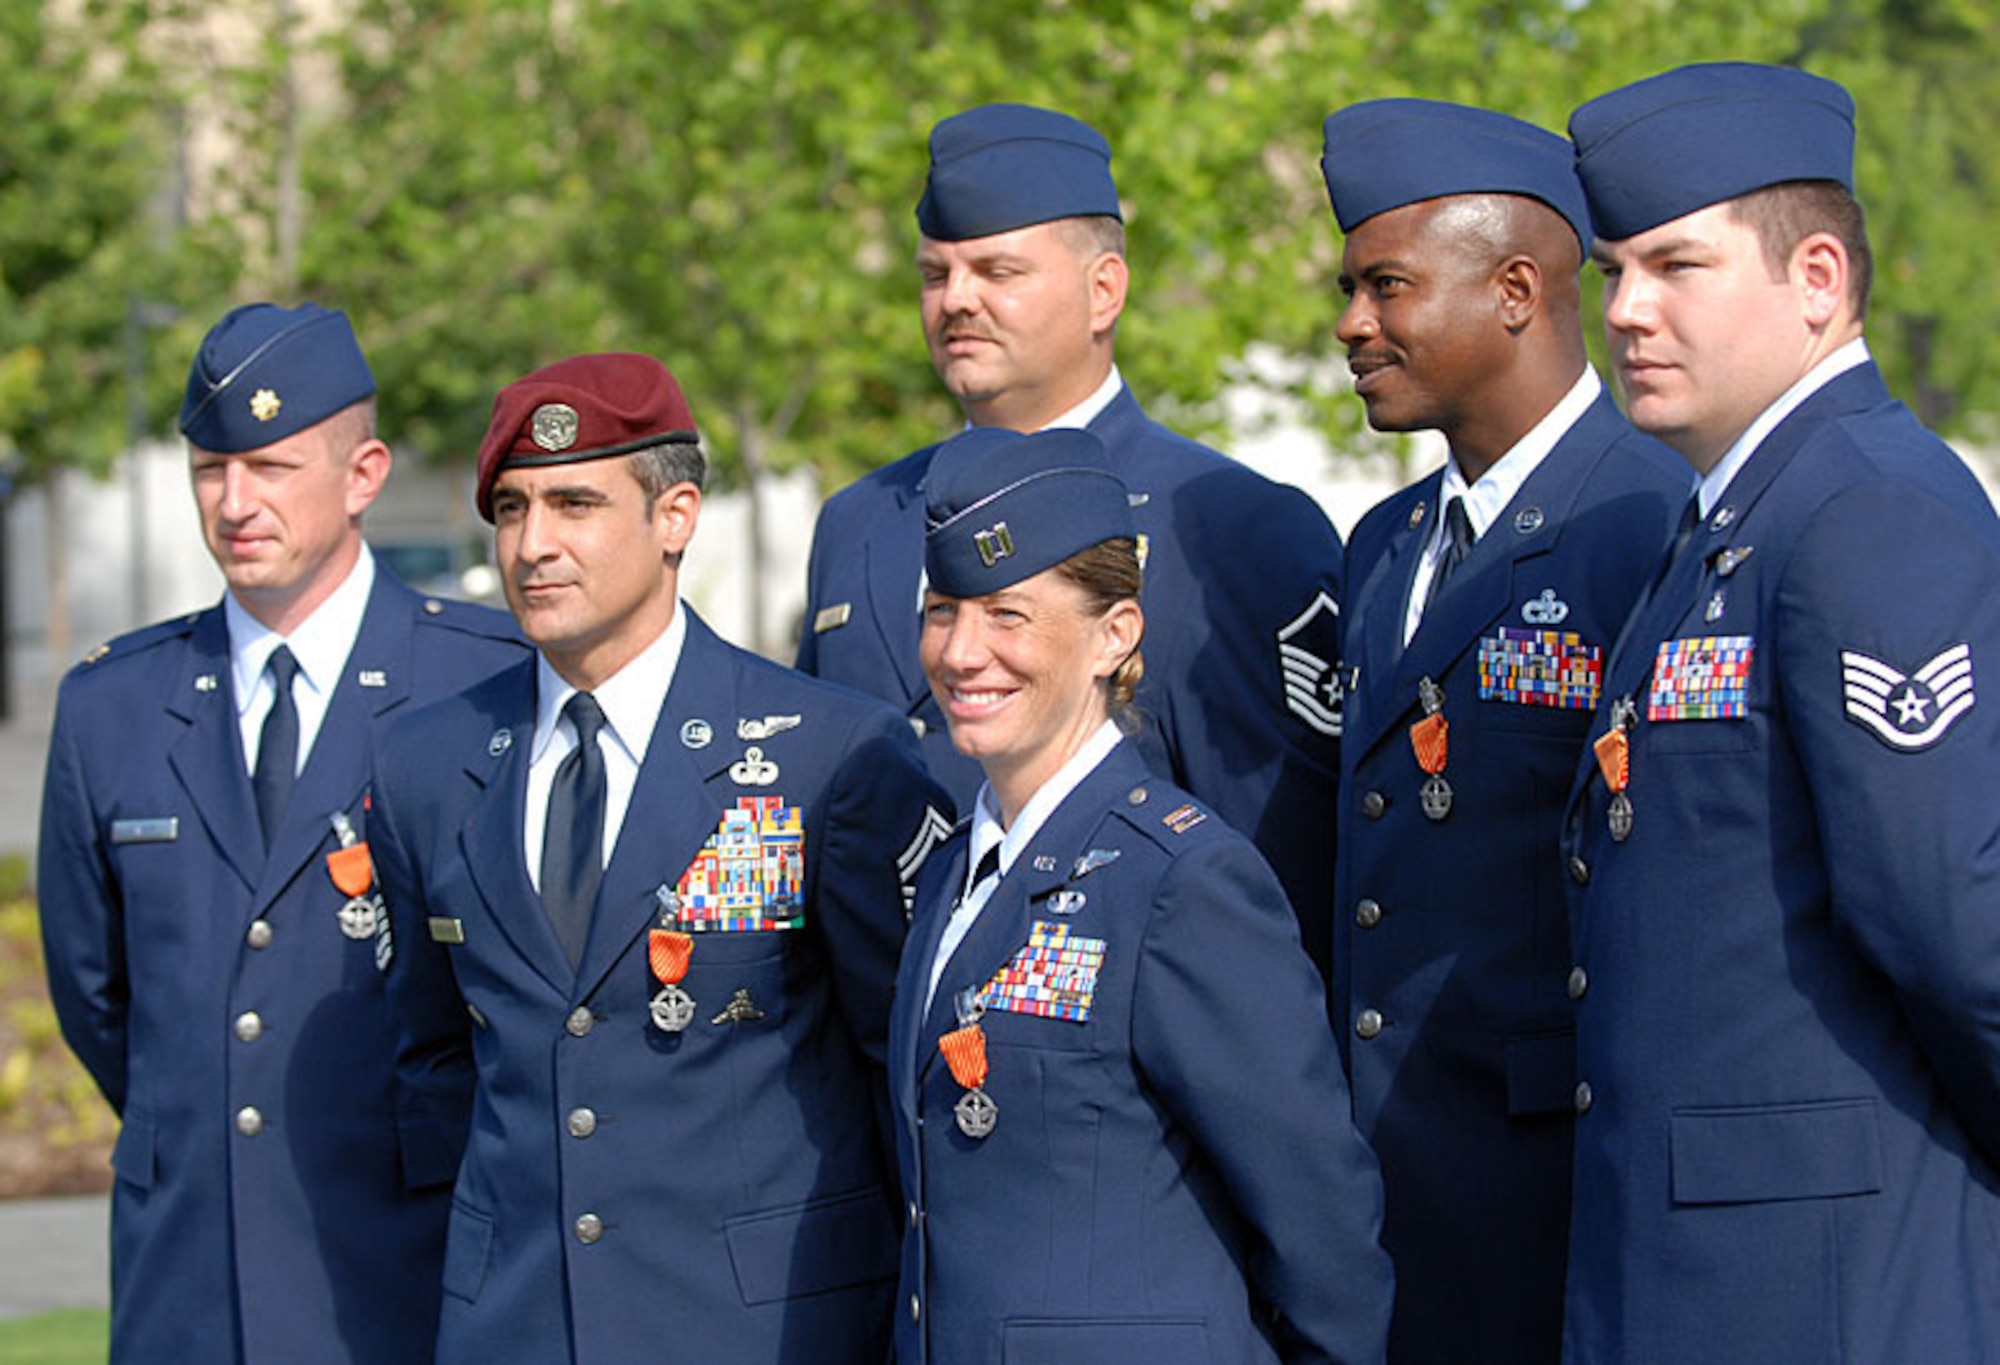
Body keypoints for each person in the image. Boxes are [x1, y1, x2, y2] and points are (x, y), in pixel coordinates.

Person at [368, 352, 951, 1364]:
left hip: (760, 1324)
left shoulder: (829, 755)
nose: (532, 546)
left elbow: (891, 1064)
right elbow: (435, 1060)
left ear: (674, 515)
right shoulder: (429, 764)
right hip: (516, 1324)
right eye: (510, 510)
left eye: (575, 504)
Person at [1559, 62, 2000, 1361]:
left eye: (1677, 266)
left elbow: (1951, 923)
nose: (1628, 310)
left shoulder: (1870, 512)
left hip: (1826, 1282)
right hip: (1702, 1271)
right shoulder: (1723, 527)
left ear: (1817, 279)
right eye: (1613, 272)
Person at [36, 302, 526, 1364]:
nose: (235, 502)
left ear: (363, 476)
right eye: (210, 469)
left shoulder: (489, 684)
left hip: (407, 1270)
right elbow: (97, 993)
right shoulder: (113, 704)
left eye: (271, 466)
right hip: (192, 1283)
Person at [798, 103, 1347, 970]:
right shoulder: (860, 521)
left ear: (1105, 290)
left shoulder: (1229, 524)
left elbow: (1280, 870)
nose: (957, 300)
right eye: (935, 274)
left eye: (997, 269)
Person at [890, 425, 1392, 1364]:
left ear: (1113, 634)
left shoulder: (1183, 881)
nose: (962, 652)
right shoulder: (959, 873)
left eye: (1008, 614)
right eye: (943, 610)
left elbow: (1318, 1218)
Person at [1316, 100, 1688, 1362]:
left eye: (1387, 286)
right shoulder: (1383, 547)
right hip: (1392, 1186)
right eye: (1350, 287)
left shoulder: (1650, 523)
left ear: (1517, 288)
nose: (1350, 324)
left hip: (1556, 1188)